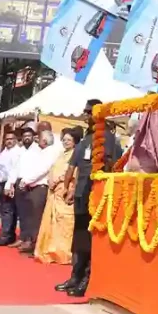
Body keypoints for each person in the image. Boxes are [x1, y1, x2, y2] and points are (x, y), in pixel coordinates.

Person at [57, 99, 123, 298]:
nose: (86, 115)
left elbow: (116, 166)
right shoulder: (86, 140)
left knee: (92, 240)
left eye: (90, 112)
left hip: (98, 196)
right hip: (80, 196)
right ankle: (75, 276)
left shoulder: (109, 139)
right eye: (85, 112)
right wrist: (68, 187)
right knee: (79, 239)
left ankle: (87, 279)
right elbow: (72, 166)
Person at [36, 127, 83, 264]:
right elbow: (53, 169)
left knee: (64, 223)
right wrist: (50, 180)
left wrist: (57, 181)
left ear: (75, 142)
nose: (66, 142)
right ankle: (51, 250)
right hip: (53, 191)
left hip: (65, 190)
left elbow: (71, 173)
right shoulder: (62, 154)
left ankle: (63, 254)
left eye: (69, 140)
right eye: (64, 140)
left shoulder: (75, 154)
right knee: (52, 222)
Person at [13, 124, 58, 254]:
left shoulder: (50, 152)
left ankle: (36, 246)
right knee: (31, 217)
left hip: (39, 187)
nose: (37, 140)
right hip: (32, 186)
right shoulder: (42, 151)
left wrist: (26, 180)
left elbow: (42, 170)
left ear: (44, 140)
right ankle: (31, 243)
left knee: (36, 218)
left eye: (39, 137)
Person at [0, 130, 22, 246]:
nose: (8, 141)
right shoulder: (4, 151)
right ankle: (6, 234)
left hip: (8, 184)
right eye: (7, 139)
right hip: (0, 183)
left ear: (15, 140)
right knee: (3, 210)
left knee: (8, 211)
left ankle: (6, 236)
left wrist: (9, 185)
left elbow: (14, 170)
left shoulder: (16, 152)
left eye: (11, 139)